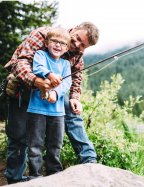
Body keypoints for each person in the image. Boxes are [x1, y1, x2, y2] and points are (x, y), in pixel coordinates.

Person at [4, 22, 99, 184]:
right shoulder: (43, 34)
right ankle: (15, 180)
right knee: (19, 137)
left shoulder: (77, 54)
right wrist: (37, 81)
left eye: (83, 45)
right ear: (74, 29)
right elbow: (21, 63)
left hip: (54, 96)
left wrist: (75, 97)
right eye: (76, 39)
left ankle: (90, 162)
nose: (77, 45)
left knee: (72, 112)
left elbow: (76, 78)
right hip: (24, 89)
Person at [27, 27, 72, 179]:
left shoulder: (66, 65)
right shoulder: (40, 55)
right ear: (46, 42)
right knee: (35, 147)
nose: (58, 45)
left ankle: (54, 176)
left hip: (58, 113)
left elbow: (66, 84)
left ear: (66, 48)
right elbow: (37, 68)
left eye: (62, 43)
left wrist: (55, 93)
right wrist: (49, 74)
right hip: (36, 110)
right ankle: (35, 177)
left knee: (55, 146)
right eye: (54, 41)